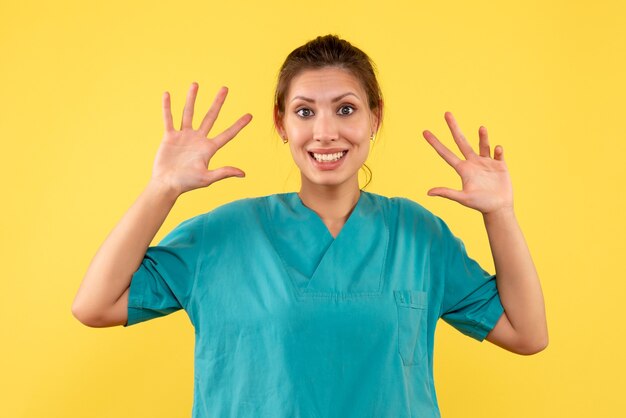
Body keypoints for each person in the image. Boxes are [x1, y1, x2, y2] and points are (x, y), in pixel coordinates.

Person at [72, 34, 548, 418]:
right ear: (281, 123)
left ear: (374, 118)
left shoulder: (418, 236)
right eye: (304, 111)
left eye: (345, 109)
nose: (325, 132)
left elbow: (528, 334)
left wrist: (500, 213)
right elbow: (95, 305)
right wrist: (162, 189)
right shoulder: (224, 235)